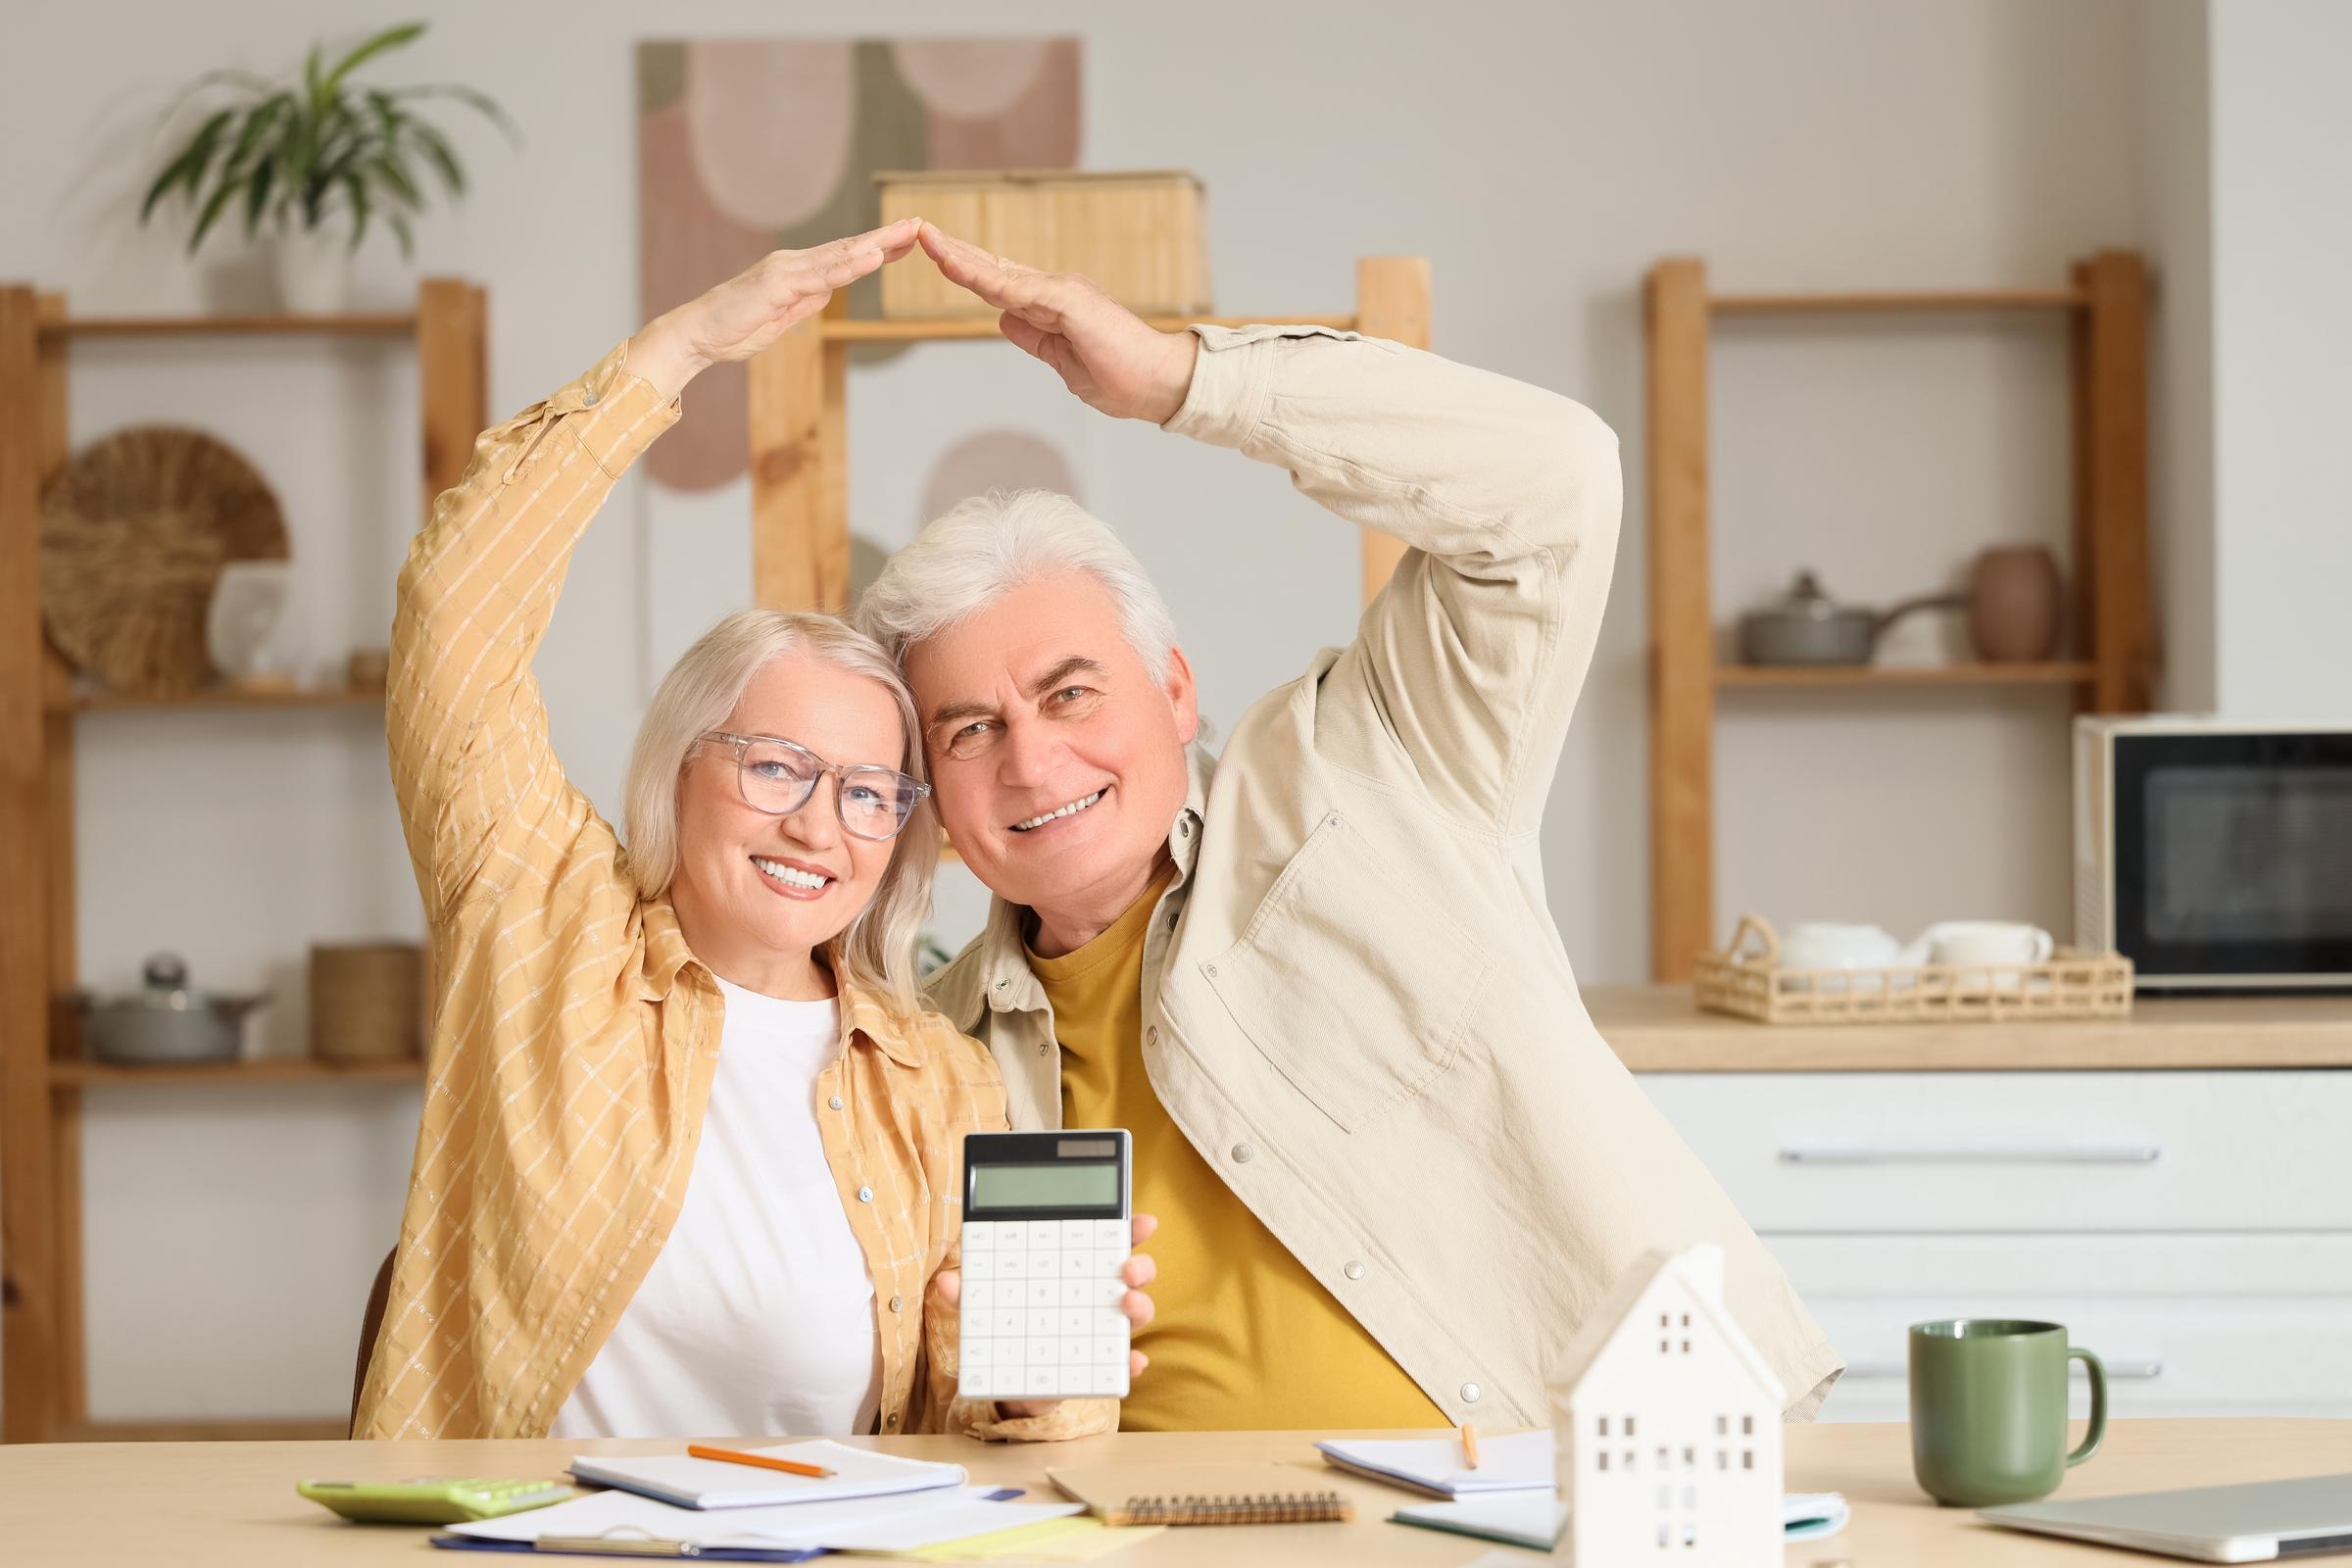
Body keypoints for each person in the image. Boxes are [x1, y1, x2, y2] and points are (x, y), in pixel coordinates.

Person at [857, 222, 1842, 1431]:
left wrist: (1184, 382)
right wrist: (1010, 1407)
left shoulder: (1373, 764)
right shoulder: (933, 1060)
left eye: (1070, 693)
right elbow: (966, 1423)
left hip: (1601, 1491)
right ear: (936, 799)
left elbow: (1556, 481)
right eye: (969, 731)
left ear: (1174, 690)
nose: (1032, 758)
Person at [354, 220, 1155, 1442]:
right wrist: (675, 355)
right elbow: (453, 614)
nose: (817, 824)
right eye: (776, 764)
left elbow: (993, 1439)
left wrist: (1046, 1392)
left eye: (869, 790)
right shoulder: (539, 923)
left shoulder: (942, 1081)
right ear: (682, 766)